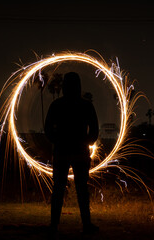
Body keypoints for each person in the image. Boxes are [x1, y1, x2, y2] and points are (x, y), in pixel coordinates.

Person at [44, 72, 99, 234]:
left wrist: (57, 141)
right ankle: (86, 225)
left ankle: (54, 226)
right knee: (80, 189)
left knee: (59, 188)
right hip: (78, 152)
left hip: (64, 152)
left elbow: (48, 129)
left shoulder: (57, 105)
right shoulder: (86, 105)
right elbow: (94, 130)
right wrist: (86, 142)